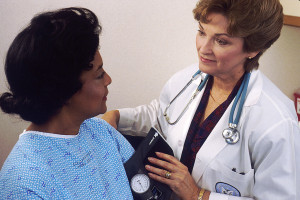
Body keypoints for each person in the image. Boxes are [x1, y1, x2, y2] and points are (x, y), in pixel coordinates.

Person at [102, 0, 300, 199]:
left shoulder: (276, 121)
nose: (203, 48)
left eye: (221, 41)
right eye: (202, 32)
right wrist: (117, 117)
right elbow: (163, 114)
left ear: (253, 49)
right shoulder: (188, 78)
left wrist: (198, 195)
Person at [0, 7, 134, 199]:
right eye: (99, 75)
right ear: (63, 91)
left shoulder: (101, 132)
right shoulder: (23, 183)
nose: (109, 80)